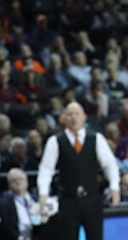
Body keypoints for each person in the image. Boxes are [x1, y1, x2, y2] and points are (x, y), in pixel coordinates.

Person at [37, 102, 120, 240]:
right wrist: (43, 193)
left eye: (77, 114)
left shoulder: (96, 138)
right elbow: (46, 169)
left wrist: (114, 187)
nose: (73, 118)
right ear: (64, 118)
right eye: (69, 114)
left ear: (84, 117)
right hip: (68, 200)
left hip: (92, 199)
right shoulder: (55, 141)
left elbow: (109, 164)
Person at [0, 168, 43, 240]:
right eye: (13, 180)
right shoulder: (3, 205)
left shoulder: (37, 200)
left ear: (27, 182)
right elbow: (5, 229)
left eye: (20, 179)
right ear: (9, 185)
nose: (17, 182)